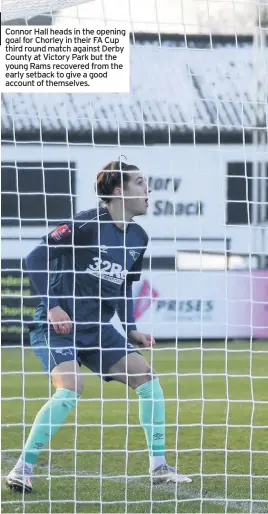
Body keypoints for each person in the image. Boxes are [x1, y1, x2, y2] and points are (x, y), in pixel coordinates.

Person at [6, 159, 191, 493]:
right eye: (140, 182)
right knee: (70, 389)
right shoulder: (87, 224)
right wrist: (53, 306)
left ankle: (159, 467)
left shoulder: (138, 236)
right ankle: (22, 468)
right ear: (119, 191)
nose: (147, 190)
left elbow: (123, 285)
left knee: (148, 379)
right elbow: (35, 256)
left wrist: (131, 326)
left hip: (98, 329)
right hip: (59, 326)